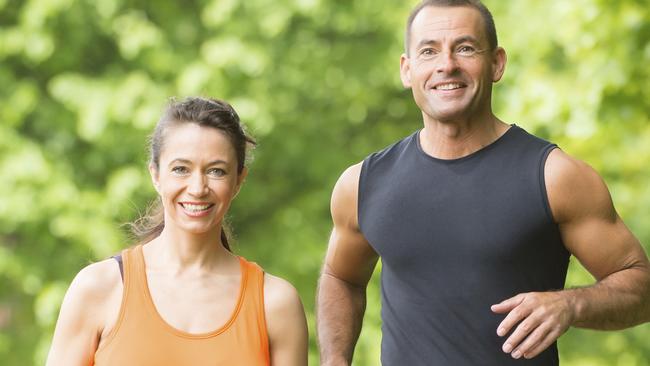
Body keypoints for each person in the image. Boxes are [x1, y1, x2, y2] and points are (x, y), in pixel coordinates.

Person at [316, 1, 650, 365]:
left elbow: (642, 288)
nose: (447, 64)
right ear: (407, 69)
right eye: (429, 51)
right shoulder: (364, 183)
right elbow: (341, 278)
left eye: (465, 48)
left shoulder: (554, 176)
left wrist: (570, 304)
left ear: (497, 63)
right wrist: (335, 360)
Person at [46, 97, 308, 366]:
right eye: (181, 169)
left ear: (239, 180)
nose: (197, 188)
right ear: (156, 175)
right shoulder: (98, 289)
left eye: (216, 171)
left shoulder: (275, 304)